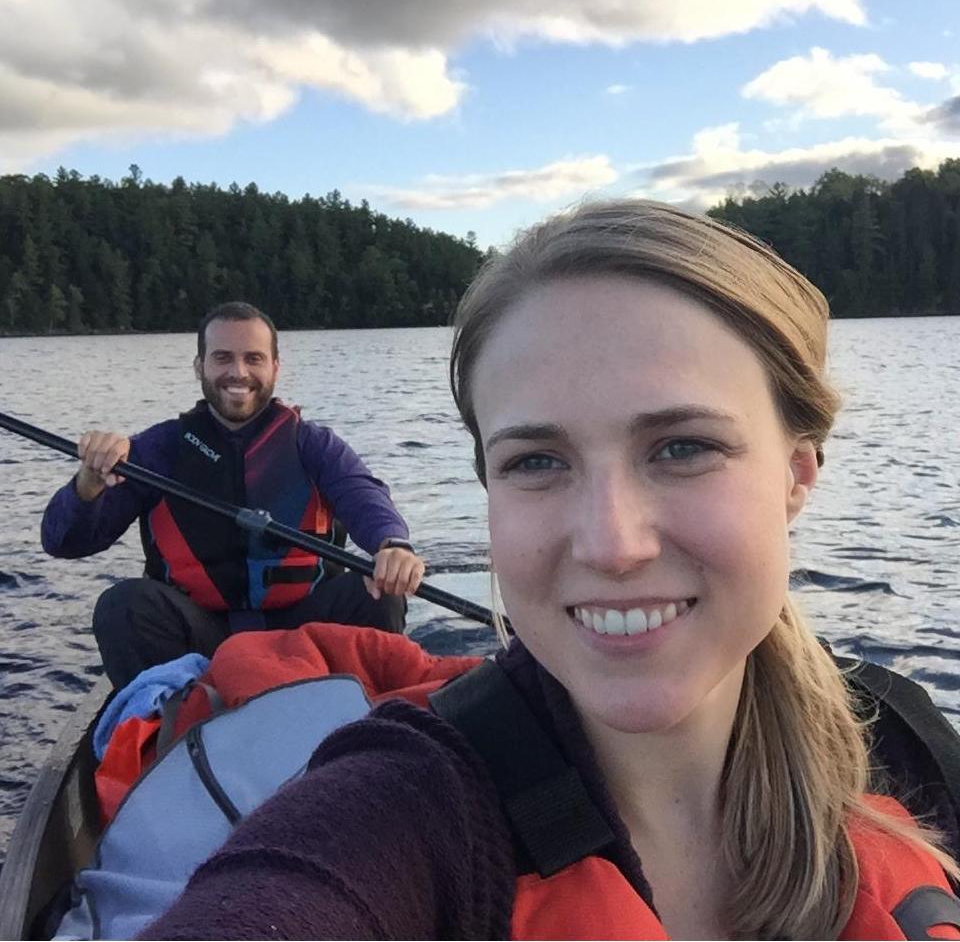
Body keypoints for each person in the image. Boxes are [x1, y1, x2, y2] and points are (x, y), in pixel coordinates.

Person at [141, 202, 960, 940]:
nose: (610, 544)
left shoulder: (913, 751)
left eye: (683, 448)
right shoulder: (404, 807)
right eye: (537, 461)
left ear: (797, 476)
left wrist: (386, 541)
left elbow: (362, 499)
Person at [41, 302, 425, 689]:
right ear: (200, 367)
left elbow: (361, 493)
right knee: (122, 606)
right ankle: (176, 723)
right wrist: (87, 484)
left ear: (275, 366)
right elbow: (63, 543)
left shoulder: (313, 443)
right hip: (201, 638)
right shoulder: (159, 448)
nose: (238, 372)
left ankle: (369, 716)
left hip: (305, 629)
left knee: (379, 593)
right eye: (222, 358)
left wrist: (391, 545)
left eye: (253, 358)